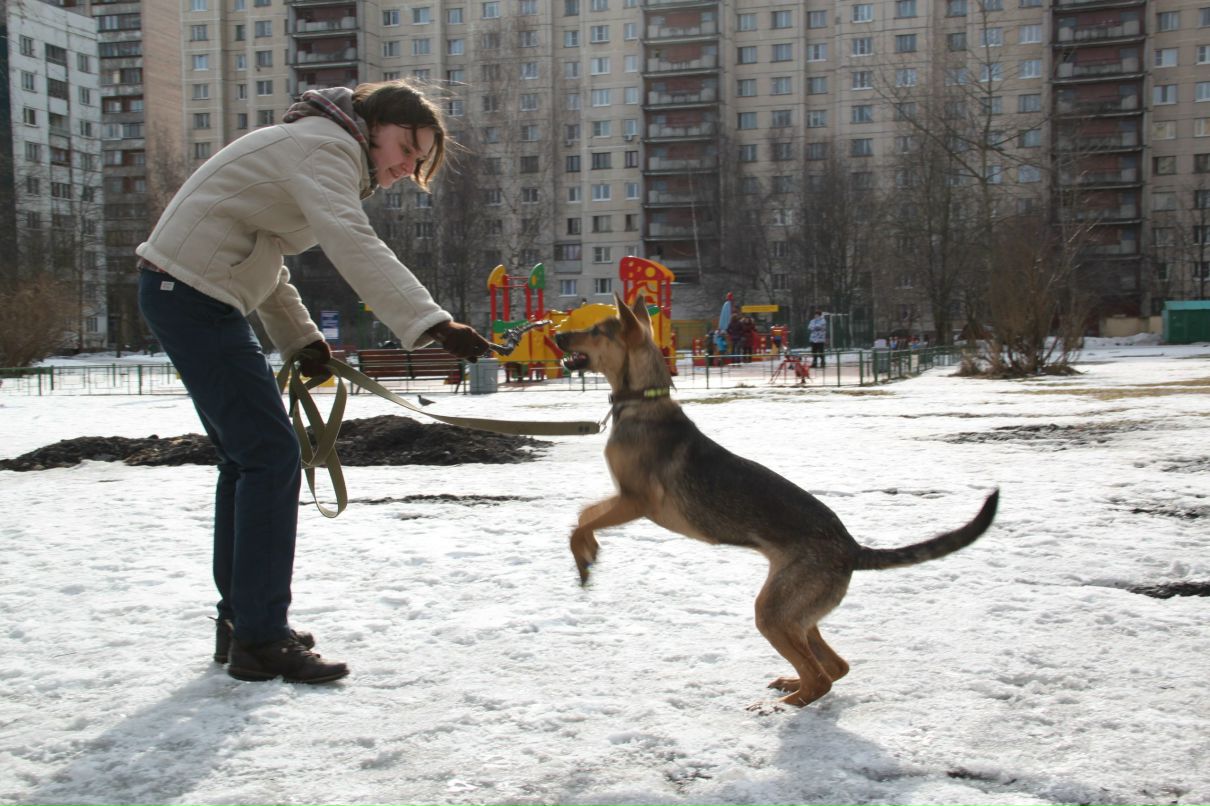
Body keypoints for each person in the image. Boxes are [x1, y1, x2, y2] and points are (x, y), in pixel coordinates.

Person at [136, 80, 494, 684]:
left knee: (248, 460)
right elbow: (352, 242)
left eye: (418, 160)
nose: (407, 167)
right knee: (270, 458)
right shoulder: (325, 148)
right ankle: (260, 639)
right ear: (374, 124)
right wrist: (432, 322)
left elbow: (263, 252)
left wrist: (300, 338)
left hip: (191, 293)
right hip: (193, 295)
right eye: (406, 148)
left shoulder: (315, 148)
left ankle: (245, 621)